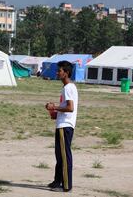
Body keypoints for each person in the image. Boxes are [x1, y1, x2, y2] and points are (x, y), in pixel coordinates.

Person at [45, 60, 78, 192]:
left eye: (59, 71)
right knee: (59, 155)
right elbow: (66, 107)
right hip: (62, 125)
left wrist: (55, 107)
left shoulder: (69, 87)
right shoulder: (67, 88)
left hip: (65, 126)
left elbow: (70, 108)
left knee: (64, 156)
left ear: (66, 73)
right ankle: (57, 181)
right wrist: (55, 112)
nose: (57, 73)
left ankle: (66, 185)